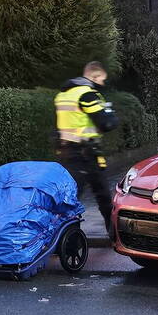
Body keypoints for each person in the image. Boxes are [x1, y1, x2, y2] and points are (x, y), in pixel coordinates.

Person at [55, 62, 118, 230]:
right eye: (101, 80)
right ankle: (114, 236)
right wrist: (110, 114)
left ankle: (62, 237)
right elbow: (107, 123)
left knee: (69, 198)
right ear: (94, 77)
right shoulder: (87, 94)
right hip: (86, 155)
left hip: (66, 152)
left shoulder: (63, 95)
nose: (102, 84)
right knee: (103, 196)